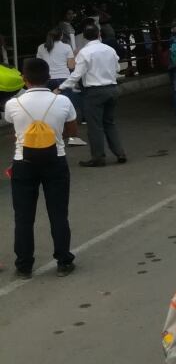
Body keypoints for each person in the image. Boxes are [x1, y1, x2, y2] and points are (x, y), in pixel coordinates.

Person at [6, 58, 78, 279]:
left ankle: (24, 264)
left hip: (23, 163)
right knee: (58, 213)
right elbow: (72, 130)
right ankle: (64, 261)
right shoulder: (63, 101)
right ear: (48, 77)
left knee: (24, 217)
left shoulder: (12, 104)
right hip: (55, 160)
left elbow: (16, 129)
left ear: (24, 78)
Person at [59, 24, 128, 167]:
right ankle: (120, 153)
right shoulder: (109, 50)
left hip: (94, 91)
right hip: (112, 88)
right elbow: (117, 68)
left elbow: (76, 75)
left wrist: (61, 87)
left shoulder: (84, 52)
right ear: (99, 35)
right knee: (109, 122)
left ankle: (98, 157)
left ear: (84, 37)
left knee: (95, 126)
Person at [37, 26, 86, 147]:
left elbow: (39, 64)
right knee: (68, 108)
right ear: (61, 36)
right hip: (63, 79)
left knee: (49, 108)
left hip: (47, 80)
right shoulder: (66, 47)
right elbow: (71, 66)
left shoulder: (41, 47)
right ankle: (72, 137)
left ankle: (52, 135)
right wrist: (75, 56)